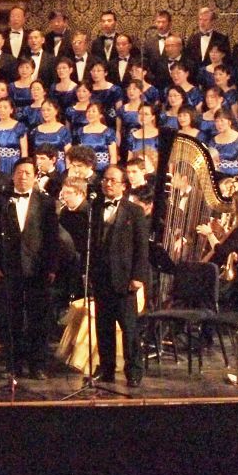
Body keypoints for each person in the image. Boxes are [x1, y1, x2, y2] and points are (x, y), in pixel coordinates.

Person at [0, 160, 58, 380]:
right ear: (13, 175)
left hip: (38, 269)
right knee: (11, 319)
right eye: (19, 173)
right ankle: (13, 365)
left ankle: (37, 365)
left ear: (35, 176)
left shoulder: (46, 203)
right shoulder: (0, 201)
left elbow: (52, 238)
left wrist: (51, 267)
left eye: (28, 173)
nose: (23, 177)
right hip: (9, 268)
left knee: (38, 319)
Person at [90, 162, 149, 388]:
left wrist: (138, 276)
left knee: (129, 328)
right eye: (105, 180)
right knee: (103, 327)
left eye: (112, 180)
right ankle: (106, 370)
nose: (107, 184)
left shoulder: (134, 211)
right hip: (101, 277)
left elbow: (142, 247)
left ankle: (134, 370)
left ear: (123, 186)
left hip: (124, 278)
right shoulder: (94, 208)